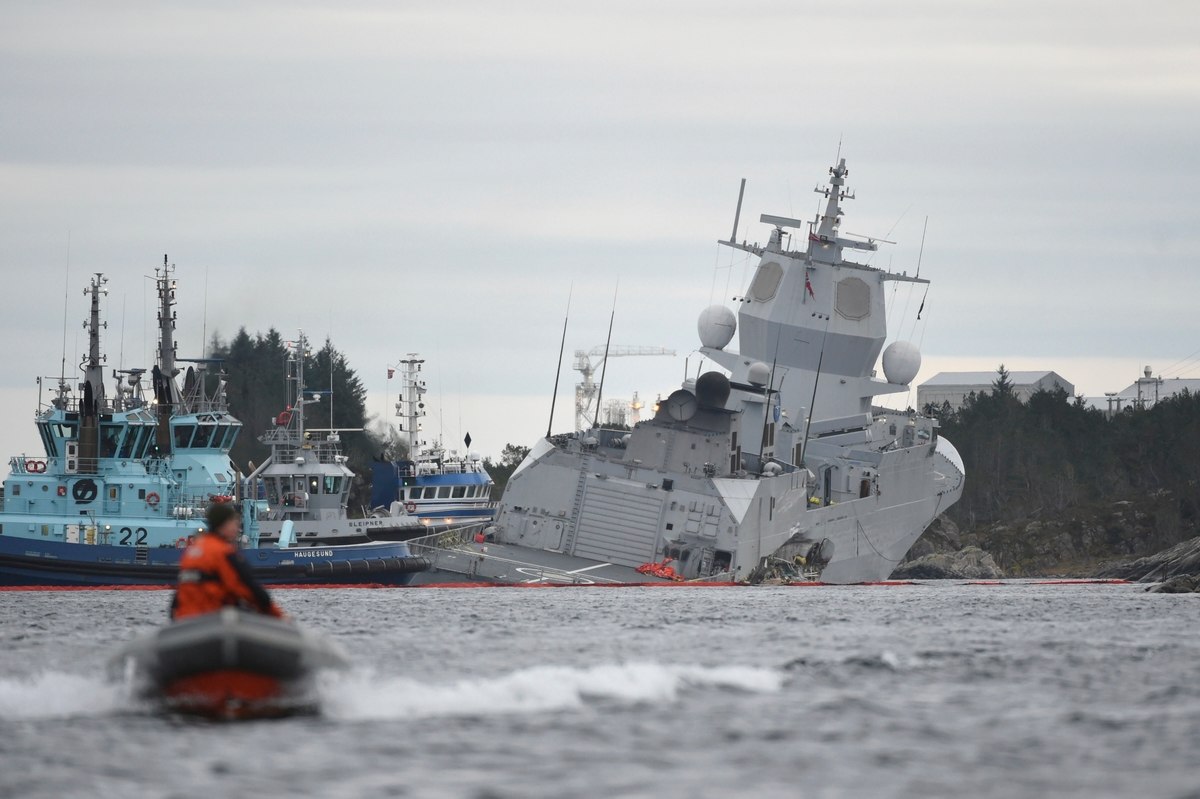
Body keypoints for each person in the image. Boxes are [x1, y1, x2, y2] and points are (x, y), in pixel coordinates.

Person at [170, 502, 284, 620]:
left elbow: (178, 596)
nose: (237, 529)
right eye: (234, 524)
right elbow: (249, 588)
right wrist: (279, 616)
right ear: (223, 525)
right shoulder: (224, 553)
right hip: (210, 618)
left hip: (184, 619)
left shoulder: (191, 552)